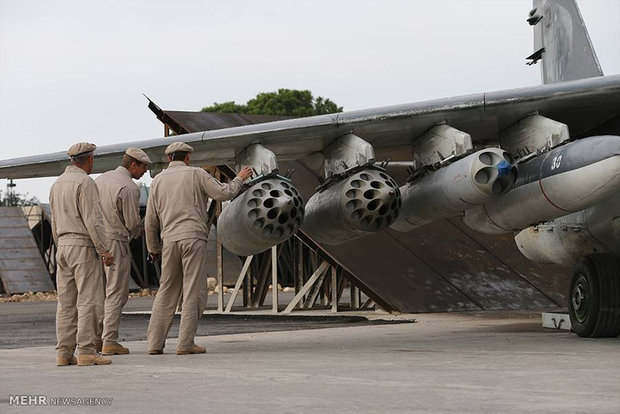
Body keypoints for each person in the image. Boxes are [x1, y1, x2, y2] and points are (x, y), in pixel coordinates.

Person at [145, 141, 252, 355]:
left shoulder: (157, 181)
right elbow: (224, 193)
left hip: (169, 240)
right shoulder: (196, 174)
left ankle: (154, 344)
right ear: (187, 157)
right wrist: (240, 178)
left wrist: (153, 248)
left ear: (169, 158)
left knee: (166, 290)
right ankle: (185, 343)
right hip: (192, 237)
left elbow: (150, 221)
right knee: (193, 290)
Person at [49, 142, 114, 367]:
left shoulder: (57, 184)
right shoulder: (85, 183)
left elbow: (54, 221)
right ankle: (86, 350)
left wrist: (61, 246)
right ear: (90, 159)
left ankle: (64, 353)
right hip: (82, 245)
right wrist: (104, 249)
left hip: (63, 246)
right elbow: (93, 220)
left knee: (66, 303)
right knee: (89, 300)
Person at [95, 147, 152, 356]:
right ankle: (109, 340)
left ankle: (95, 338)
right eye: (144, 167)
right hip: (116, 242)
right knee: (116, 293)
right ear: (133, 164)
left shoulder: (100, 180)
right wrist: (140, 230)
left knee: (98, 293)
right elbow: (131, 223)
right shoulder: (129, 187)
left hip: (97, 241)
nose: (145, 171)